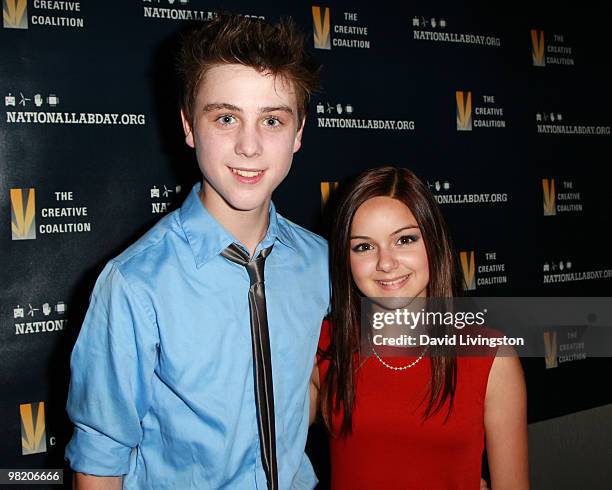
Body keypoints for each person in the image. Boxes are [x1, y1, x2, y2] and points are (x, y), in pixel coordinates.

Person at [65, 14, 330, 490]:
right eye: (226, 117)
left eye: (272, 120)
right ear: (189, 126)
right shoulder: (135, 283)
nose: (249, 146)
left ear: (298, 133)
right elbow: (100, 461)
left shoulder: (319, 262)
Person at [311, 166, 529, 489]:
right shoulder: (323, 343)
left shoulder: (491, 357)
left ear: (433, 242)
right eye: (364, 246)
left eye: (405, 239)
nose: (386, 262)